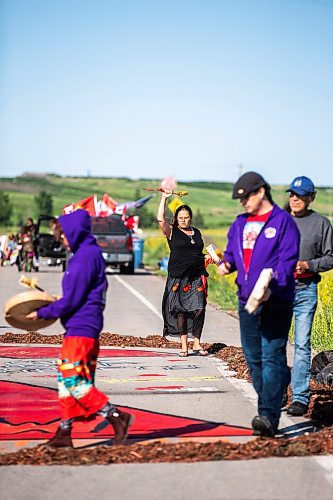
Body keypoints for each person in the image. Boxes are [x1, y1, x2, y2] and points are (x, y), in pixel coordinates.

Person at [26, 209, 134, 448]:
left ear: (74, 232)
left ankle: (116, 416)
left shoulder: (84, 257)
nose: (60, 239)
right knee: (65, 381)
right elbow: (77, 295)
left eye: (62, 234)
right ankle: (65, 431)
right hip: (81, 326)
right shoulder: (87, 254)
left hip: (82, 328)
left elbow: (72, 300)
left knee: (73, 379)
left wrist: (41, 313)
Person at [218, 171, 300, 437]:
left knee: (271, 354)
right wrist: (226, 264)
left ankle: (267, 415)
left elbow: (286, 263)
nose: (242, 204)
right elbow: (232, 254)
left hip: (276, 300)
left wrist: (270, 286)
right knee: (254, 360)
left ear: (261, 192)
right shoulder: (239, 224)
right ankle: (277, 386)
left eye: (245, 198)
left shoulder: (283, 222)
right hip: (246, 301)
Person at [285, 176, 333, 416]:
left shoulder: (321, 224)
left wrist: (308, 264)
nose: (295, 198)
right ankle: (278, 392)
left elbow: (330, 258)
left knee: (302, 345)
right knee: (274, 344)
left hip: (306, 290)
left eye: (300, 195)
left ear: (311, 198)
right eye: (292, 194)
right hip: (278, 290)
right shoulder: (279, 221)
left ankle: (300, 398)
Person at [157, 191, 211, 357]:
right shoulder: (172, 231)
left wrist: (208, 257)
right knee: (181, 310)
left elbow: (197, 253)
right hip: (179, 277)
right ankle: (183, 345)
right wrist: (164, 198)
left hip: (196, 276)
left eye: (186, 217)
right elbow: (160, 219)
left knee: (199, 308)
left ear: (190, 218)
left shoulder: (197, 232)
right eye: (180, 217)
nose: (183, 220)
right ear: (176, 218)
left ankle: (196, 342)